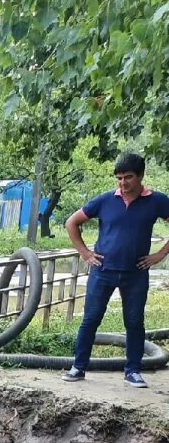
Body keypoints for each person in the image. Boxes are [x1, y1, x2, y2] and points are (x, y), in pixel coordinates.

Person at [62, 152, 169, 387]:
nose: (123, 183)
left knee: (134, 322)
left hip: (136, 273)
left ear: (140, 176)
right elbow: (72, 222)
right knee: (90, 320)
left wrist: (160, 254)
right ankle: (78, 367)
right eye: (119, 178)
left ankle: (133, 371)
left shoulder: (157, 201)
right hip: (103, 271)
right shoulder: (105, 200)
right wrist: (85, 253)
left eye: (128, 177)